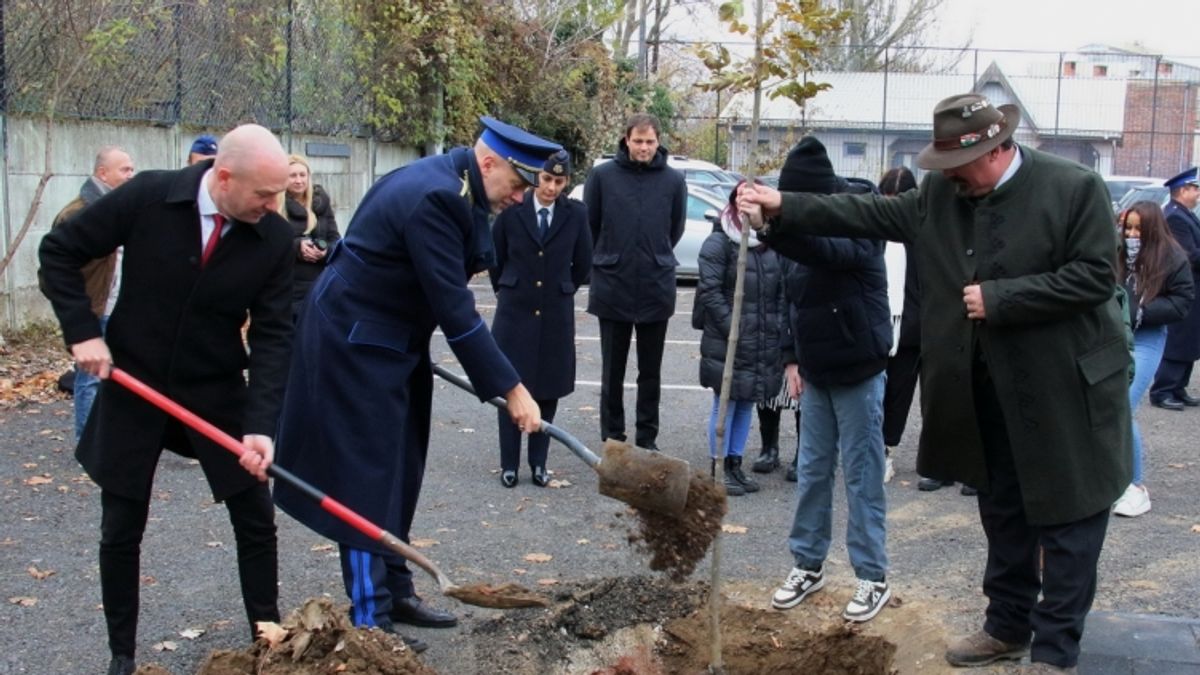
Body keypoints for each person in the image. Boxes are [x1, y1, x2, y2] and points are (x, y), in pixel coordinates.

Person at [741, 93, 1132, 673]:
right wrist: (781, 206)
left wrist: (1002, 298)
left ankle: (1053, 652)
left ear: (998, 151)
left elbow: (1098, 275)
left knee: (1069, 521)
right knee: (1004, 512)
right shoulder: (942, 196)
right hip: (988, 392)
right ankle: (1007, 625)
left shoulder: (1073, 188)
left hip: (1064, 390)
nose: (949, 178)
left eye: (959, 166)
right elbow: (867, 215)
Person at [273, 117, 551, 652]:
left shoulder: (461, 187)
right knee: (363, 477)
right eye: (518, 184)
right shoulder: (436, 199)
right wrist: (511, 389)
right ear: (488, 162)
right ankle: (370, 618)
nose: (522, 196)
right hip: (352, 340)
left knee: (401, 466)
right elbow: (456, 309)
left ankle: (395, 590)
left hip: (393, 337)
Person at [38, 125, 293, 675]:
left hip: (215, 387)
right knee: (122, 520)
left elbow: (275, 335)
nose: (274, 206)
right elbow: (58, 252)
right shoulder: (151, 196)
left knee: (255, 514)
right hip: (135, 381)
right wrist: (82, 331)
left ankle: (268, 643)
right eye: (264, 194)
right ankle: (122, 657)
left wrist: (261, 424)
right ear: (224, 177)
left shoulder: (271, 236)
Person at [755, 137, 892, 623]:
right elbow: (791, 297)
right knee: (812, 472)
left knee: (861, 476)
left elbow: (826, 252)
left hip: (858, 368)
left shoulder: (859, 217)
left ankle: (872, 575)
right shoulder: (798, 230)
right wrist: (792, 359)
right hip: (814, 371)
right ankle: (807, 565)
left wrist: (773, 227)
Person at [488, 149, 592, 488]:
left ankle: (538, 463)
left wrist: (561, 289)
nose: (550, 187)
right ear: (536, 178)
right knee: (510, 388)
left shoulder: (576, 215)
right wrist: (510, 287)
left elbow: (583, 265)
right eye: (546, 179)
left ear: (566, 183)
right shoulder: (512, 211)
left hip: (554, 315)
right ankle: (508, 464)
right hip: (515, 312)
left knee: (547, 389)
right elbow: (496, 258)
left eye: (558, 181)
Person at [584, 113, 687, 450]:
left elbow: (675, 229)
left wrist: (653, 255)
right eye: (638, 141)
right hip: (613, 284)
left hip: (656, 286)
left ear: (658, 142)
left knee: (650, 372)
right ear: (626, 140)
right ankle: (612, 436)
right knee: (612, 371)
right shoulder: (602, 176)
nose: (644, 147)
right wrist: (613, 255)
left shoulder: (673, 181)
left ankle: (647, 438)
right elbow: (591, 226)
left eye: (650, 141)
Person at [696, 181, 787, 496]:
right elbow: (709, 292)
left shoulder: (767, 243)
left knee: (747, 400)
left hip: (761, 338)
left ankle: (734, 462)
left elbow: (779, 291)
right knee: (725, 403)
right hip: (729, 340)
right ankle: (717, 466)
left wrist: (774, 328)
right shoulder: (719, 242)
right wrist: (734, 329)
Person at [48, 145, 136, 441]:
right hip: (94, 310)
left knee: (118, 378)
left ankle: (109, 439)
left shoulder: (120, 208)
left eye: (132, 169)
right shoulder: (79, 212)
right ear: (102, 173)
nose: (130, 175)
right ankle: (87, 440)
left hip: (118, 309)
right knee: (89, 379)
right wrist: (79, 315)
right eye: (124, 169)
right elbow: (55, 267)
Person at [1113, 202, 1193, 517]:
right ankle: (1112, 480)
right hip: (1113, 336)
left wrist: (1143, 312)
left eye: (1138, 229)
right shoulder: (1115, 252)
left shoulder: (1172, 257)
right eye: (1128, 228)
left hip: (1147, 337)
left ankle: (1135, 487)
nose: (1132, 235)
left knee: (1122, 406)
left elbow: (1182, 301)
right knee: (1106, 407)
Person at [1148, 168, 1200, 411]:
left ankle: (1178, 387)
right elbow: (1187, 255)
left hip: (1193, 287)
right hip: (1183, 286)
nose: (1198, 193)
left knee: (1190, 338)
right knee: (1180, 338)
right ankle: (1163, 390)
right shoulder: (1175, 217)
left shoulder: (1185, 214)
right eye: (1195, 188)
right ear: (1182, 191)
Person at [278, 154, 340, 317]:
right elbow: (270, 245)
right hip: (288, 287)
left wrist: (325, 251)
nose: (298, 180)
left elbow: (336, 240)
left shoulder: (321, 203)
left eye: (302, 175)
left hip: (320, 285)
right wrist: (298, 246)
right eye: (292, 176)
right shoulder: (275, 204)